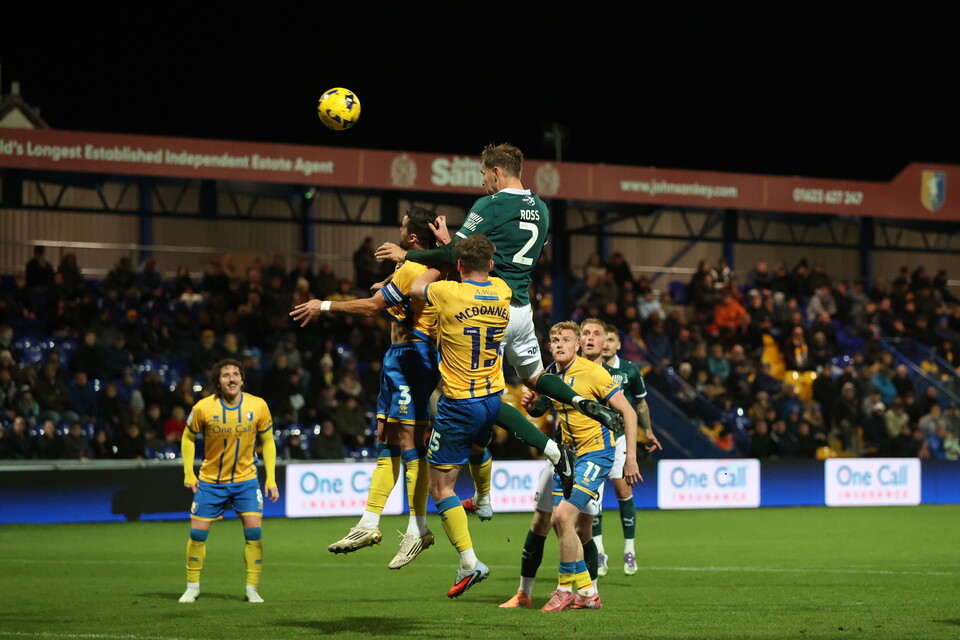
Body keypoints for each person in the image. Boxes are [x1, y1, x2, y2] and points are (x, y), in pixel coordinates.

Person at [375, 143, 622, 469]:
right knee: (534, 375)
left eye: (483, 174)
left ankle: (552, 451)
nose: (482, 182)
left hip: (490, 309)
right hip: (522, 307)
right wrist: (452, 242)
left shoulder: (491, 205)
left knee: (480, 396)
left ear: (496, 171)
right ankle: (581, 401)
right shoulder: (542, 208)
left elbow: (454, 255)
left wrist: (407, 254)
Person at [290, 206, 442, 569]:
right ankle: (369, 522)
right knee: (386, 437)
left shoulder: (415, 268)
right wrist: (392, 282)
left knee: (410, 442)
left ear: (413, 237)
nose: (399, 231)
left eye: (403, 227)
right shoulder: (416, 267)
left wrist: (323, 305)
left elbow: (373, 308)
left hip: (414, 358)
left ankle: (418, 527)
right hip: (397, 357)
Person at [501, 320, 639, 611]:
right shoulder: (551, 375)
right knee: (559, 522)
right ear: (549, 346)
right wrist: (532, 406)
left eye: (566, 340)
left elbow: (628, 411)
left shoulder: (594, 372)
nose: (560, 345)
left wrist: (631, 458)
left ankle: (564, 589)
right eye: (555, 340)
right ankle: (587, 592)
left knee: (566, 518)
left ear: (576, 345)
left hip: (596, 454)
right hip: (566, 457)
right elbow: (543, 408)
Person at [178, 359, 279, 604]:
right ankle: (192, 587)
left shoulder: (258, 405)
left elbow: (268, 441)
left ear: (242, 380)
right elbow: (187, 438)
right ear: (218, 381)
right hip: (211, 482)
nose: (231, 379)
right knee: (197, 534)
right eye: (226, 375)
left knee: (254, 533)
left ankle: (252, 589)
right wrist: (189, 473)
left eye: (236, 374)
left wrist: (271, 478)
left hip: (246, 480)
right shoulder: (203, 407)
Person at [592, 323, 660, 578]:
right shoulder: (591, 369)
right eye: (604, 339)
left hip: (619, 439)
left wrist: (648, 431)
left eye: (611, 339)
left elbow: (640, 403)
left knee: (623, 490)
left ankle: (629, 550)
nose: (606, 344)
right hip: (593, 440)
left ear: (619, 344)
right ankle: (599, 552)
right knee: (592, 499)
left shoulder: (630, 370)